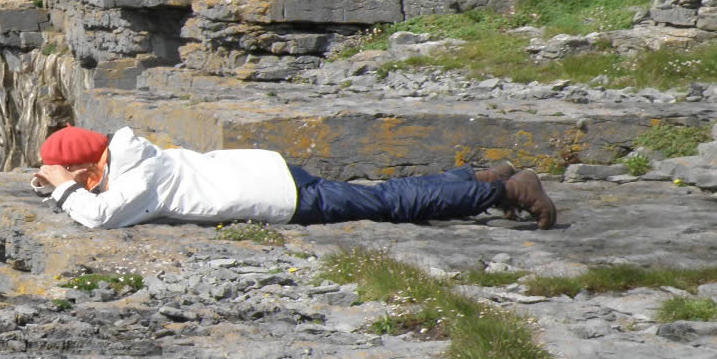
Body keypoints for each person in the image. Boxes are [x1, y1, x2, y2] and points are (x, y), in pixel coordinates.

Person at [30, 126, 556, 230]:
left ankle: (505, 191)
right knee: (380, 195)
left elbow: (98, 216)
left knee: (392, 204)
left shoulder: (135, 175)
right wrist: (63, 183)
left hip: (278, 195)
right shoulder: (130, 156)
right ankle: (484, 174)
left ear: (85, 168)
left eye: (67, 173)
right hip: (267, 170)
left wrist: (64, 191)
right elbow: (99, 191)